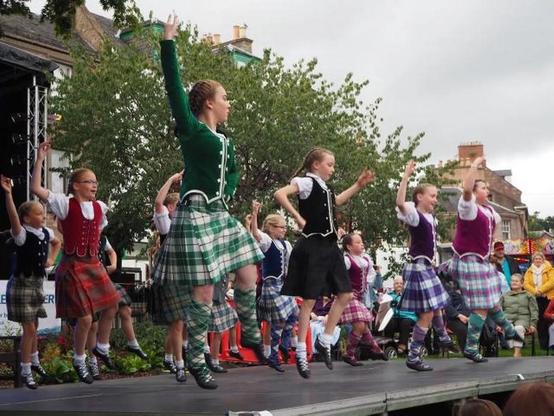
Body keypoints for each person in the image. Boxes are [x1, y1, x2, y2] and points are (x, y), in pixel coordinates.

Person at [154, 15, 265, 389]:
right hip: (195, 212)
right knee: (202, 289)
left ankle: (250, 333)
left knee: (249, 269)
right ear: (208, 103)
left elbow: (232, 172)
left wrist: (230, 189)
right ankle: (196, 356)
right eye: (225, 98)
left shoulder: (226, 142)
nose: (229, 103)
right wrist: (168, 43)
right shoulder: (191, 128)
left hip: (219, 213)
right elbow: (173, 87)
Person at [274, 147, 374, 378]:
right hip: (313, 246)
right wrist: (297, 217)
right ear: (316, 165)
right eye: (330, 164)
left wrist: (358, 185)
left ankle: (325, 340)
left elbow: (336, 201)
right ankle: (300, 350)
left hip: (330, 246)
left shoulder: (325, 187)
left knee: (345, 294)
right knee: (309, 300)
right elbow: (280, 194)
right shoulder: (306, 182)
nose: (333, 168)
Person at [31, 141, 121, 384]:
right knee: (85, 318)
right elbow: (36, 188)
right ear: (76, 185)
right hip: (73, 265)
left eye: (95, 181)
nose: (94, 185)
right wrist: (40, 158)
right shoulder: (64, 202)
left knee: (113, 304)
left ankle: (101, 347)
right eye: (89, 181)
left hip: (93, 264)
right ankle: (79, 360)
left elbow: (97, 233)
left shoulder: (100, 208)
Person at [447, 156, 522, 363]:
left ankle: (507, 331)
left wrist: (489, 250)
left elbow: (492, 232)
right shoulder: (469, 208)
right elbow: (466, 190)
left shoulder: (490, 211)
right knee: (481, 306)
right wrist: (474, 166)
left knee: (493, 302)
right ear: (475, 191)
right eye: (483, 187)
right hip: (467, 260)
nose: (486, 190)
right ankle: (471, 347)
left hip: (480, 261)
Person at [2, 175, 61, 389]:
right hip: (21, 284)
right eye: (38, 213)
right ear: (26, 218)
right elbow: (13, 218)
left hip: (37, 282)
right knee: (29, 330)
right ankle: (26, 370)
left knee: (35, 325)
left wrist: (52, 259)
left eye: (43, 212)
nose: (43, 215)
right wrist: (8, 194)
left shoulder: (45, 232)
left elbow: (57, 243)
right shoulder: (21, 234)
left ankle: (34, 361)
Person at [395, 160, 454, 371]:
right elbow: (401, 202)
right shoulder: (414, 214)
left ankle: (442, 336)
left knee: (437, 303)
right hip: (418, 267)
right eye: (433, 195)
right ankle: (414, 355)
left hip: (427, 266)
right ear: (420, 197)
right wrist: (405, 177)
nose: (435, 200)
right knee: (427, 312)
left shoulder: (430, 218)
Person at [250, 201, 298, 372]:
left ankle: (284, 345)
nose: (284, 230)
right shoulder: (267, 241)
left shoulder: (286, 244)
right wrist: (255, 214)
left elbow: (293, 263)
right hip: (271, 286)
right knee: (279, 321)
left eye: (285, 227)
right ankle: (274, 354)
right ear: (271, 228)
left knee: (293, 315)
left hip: (284, 286)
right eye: (280, 227)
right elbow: (255, 233)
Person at [151, 172, 188, 382]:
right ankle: (180, 363)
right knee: (177, 322)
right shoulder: (166, 225)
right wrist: (171, 180)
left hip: (185, 276)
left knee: (181, 322)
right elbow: (158, 202)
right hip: (171, 276)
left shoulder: (185, 226)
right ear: (171, 208)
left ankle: (169, 356)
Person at [340, 233, 386, 366]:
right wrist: (346, 290)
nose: (362, 244)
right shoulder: (347, 260)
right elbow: (339, 276)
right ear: (349, 246)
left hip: (360, 297)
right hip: (349, 297)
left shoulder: (366, 259)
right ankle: (349, 353)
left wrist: (367, 286)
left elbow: (370, 275)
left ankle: (375, 348)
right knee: (360, 325)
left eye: (361, 242)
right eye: (358, 242)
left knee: (363, 325)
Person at [500, 273, 538, 357]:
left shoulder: (529, 295)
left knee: (518, 328)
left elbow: (534, 311)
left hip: (523, 319)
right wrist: (498, 323)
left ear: (522, 283)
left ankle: (517, 353)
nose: (514, 282)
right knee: (508, 327)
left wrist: (533, 324)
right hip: (508, 319)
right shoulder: (504, 296)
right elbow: (498, 310)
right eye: (512, 281)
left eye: (516, 281)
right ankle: (513, 347)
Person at [523, 252, 554, 350]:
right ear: (533, 260)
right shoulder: (529, 271)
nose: (538, 260)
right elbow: (526, 284)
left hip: (547, 297)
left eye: (540, 259)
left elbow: (552, 282)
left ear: (543, 259)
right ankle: (543, 345)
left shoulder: (550, 269)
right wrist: (535, 292)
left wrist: (541, 290)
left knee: (548, 320)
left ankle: (552, 343)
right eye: (536, 259)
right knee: (540, 321)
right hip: (536, 298)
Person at [384, 276, 417, 355]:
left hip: (408, 316)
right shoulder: (389, 295)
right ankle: (390, 345)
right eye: (396, 283)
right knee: (389, 322)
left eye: (401, 283)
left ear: (404, 285)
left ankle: (402, 346)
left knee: (405, 322)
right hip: (395, 317)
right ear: (393, 285)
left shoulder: (409, 295)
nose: (399, 285)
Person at [444, 280, 472, 350]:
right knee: (463, 330)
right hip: (455, 318)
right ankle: (467, 351)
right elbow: (447, 306)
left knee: (483, 327)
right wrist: (459, 315)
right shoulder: (449, 294)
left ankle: (488, 349)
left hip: (471, 316)